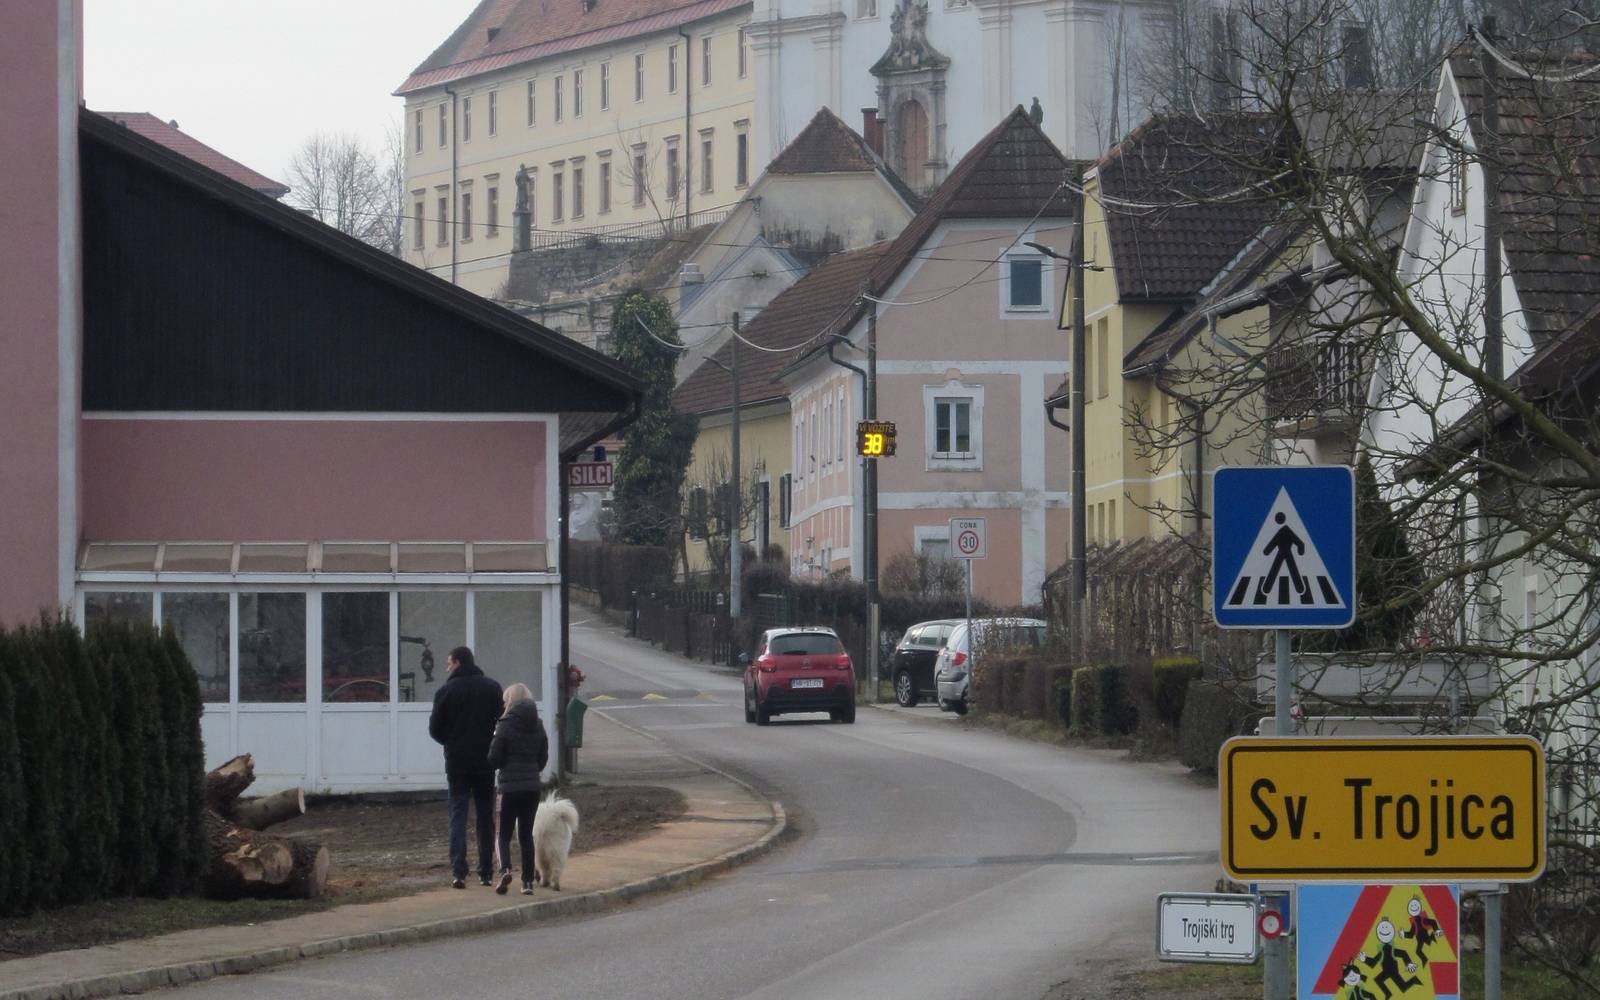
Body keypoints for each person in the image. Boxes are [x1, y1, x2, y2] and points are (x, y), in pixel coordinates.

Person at [428, 646, 503, 889]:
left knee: (458, 815)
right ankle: (486, 871)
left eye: (449, 663)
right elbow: (500, 722)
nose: (447, 667)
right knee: (485, 817)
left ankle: (459, 871)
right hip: (485, 761)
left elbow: (435, 729)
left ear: (458, 662)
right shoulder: (492, 688)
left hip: (457, 762)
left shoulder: (446, 691)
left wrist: (452, 742)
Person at [487, 683, 549, 895]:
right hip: (532, 787)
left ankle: (505, 869)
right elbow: (543, 757)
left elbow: (494, 759)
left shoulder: (503, 725)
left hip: (508, 788)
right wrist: (532, 770)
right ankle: (528, 882)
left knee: (502, 834)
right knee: (526, 835)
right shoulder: (538, 724)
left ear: (509, 702)